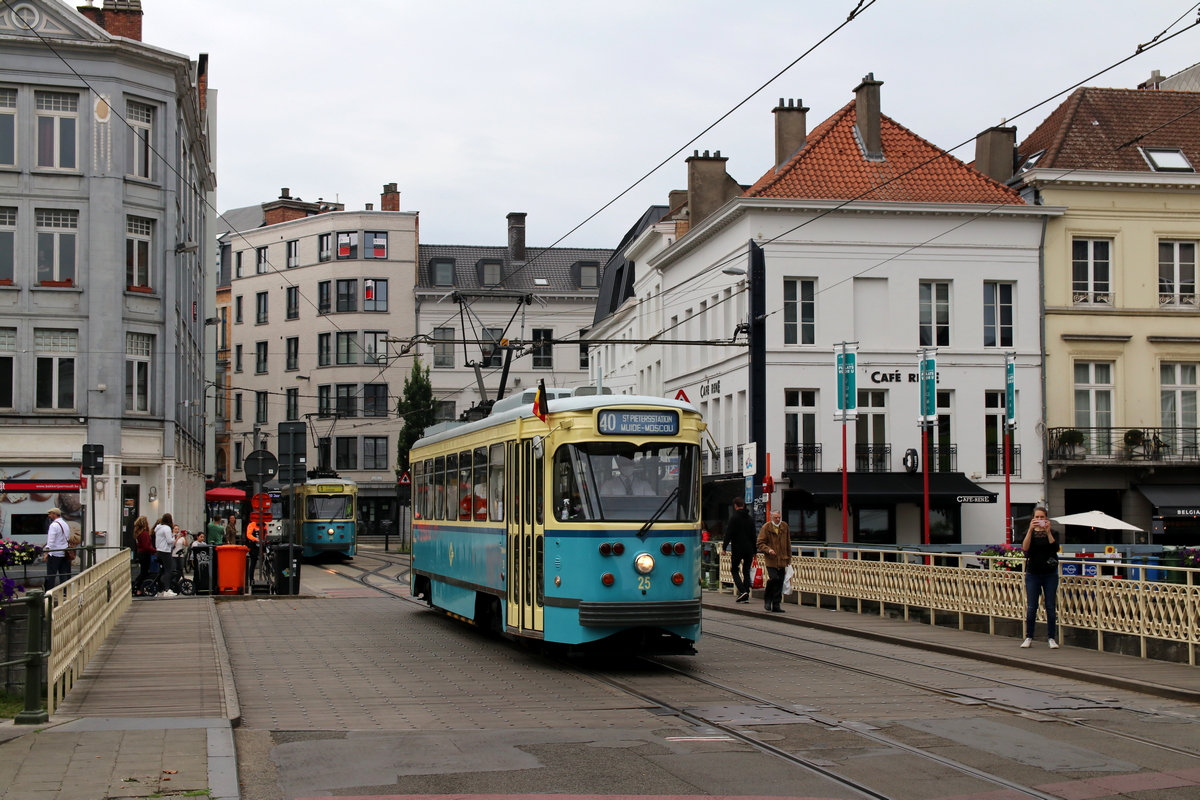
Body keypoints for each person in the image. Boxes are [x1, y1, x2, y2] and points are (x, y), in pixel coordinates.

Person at [1021, 507, 1060, 649]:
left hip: (1050, 573)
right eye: (1037, 517)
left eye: (1042, 517)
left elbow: (1055, 548)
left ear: (1047, 518)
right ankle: (1029, 637)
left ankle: (1051, 638)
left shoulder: (1054, 533)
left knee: (1050, 606)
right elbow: (1025, 548)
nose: (1040, 520)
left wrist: (1048, 532)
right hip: (1033, 573)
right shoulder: (1028, 532)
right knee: (1032, 607)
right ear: (1033, 518)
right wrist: (1031, 530)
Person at [722, 498, 757, 603]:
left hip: (737, 548)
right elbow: (753, 536)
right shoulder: (750, 519)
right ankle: (746, 592)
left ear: (735, 506)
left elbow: (729, 534)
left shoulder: (734, 518)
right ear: (744, 505)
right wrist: (755, 551)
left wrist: (724, 547)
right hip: (749, 549)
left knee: (734, 569)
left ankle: (742, 591)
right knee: (746, 571)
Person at [756, 509, 790, 613]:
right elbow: (760, 543)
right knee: (774, 578)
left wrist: (789, 558)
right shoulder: (766, 527)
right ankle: (768, 599)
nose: (778, 519)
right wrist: (768, 550)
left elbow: (788, 543)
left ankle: (776, 604)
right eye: (776, 517)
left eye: (779, 517)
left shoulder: (784, 526)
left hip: (782, 558)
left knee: (780, 581)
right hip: (771, 559)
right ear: (771, 518)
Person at [44, 507, 72, 589]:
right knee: (63, 574)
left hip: (55, 553)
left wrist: (47, 552)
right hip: (64, 552)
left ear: (54, 514)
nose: (49, 515)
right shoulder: (65, 524)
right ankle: (65, 592)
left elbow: (51, 540)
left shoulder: (53, 525)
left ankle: (49, 593)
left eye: (50, 513)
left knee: (51, 575)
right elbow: (67, 537)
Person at [154, 513, 177, 597]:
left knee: (162, 571)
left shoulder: (158, 528)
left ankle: (160, 589)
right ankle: (167, 589)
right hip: (165, 551)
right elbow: (169, 540)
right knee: (168, 570)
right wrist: (174, 537)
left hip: (159, 550)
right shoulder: (167, 528)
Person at [133, 516, 154, 592]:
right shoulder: (144, 533)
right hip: (145, 554)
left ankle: (136, 585)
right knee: (144, 572)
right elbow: (146, 546)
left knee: (143, 571)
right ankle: (138, 588)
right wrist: (154, 550)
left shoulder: (139, 533)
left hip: (141, 553)